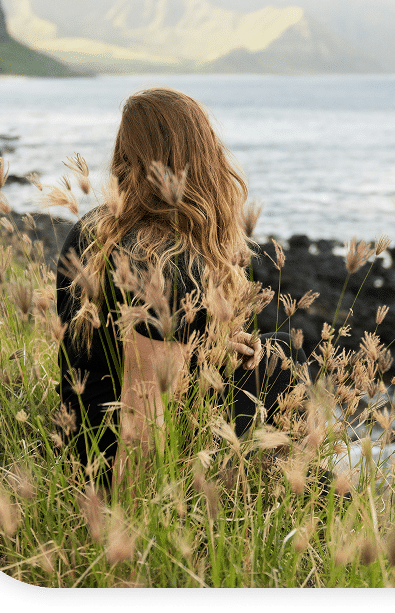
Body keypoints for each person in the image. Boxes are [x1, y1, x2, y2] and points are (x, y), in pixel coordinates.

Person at [56, 88, 305, 489]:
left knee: (279, 349)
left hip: (80, 434)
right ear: (201, 157)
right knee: (283, 361)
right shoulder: (166, 261)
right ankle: (279, 488)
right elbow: (142, 416)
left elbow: (108, 350)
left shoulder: (93, 227)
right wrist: (128, 527)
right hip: (116, 458)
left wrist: (208, 348)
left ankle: (277, 478)